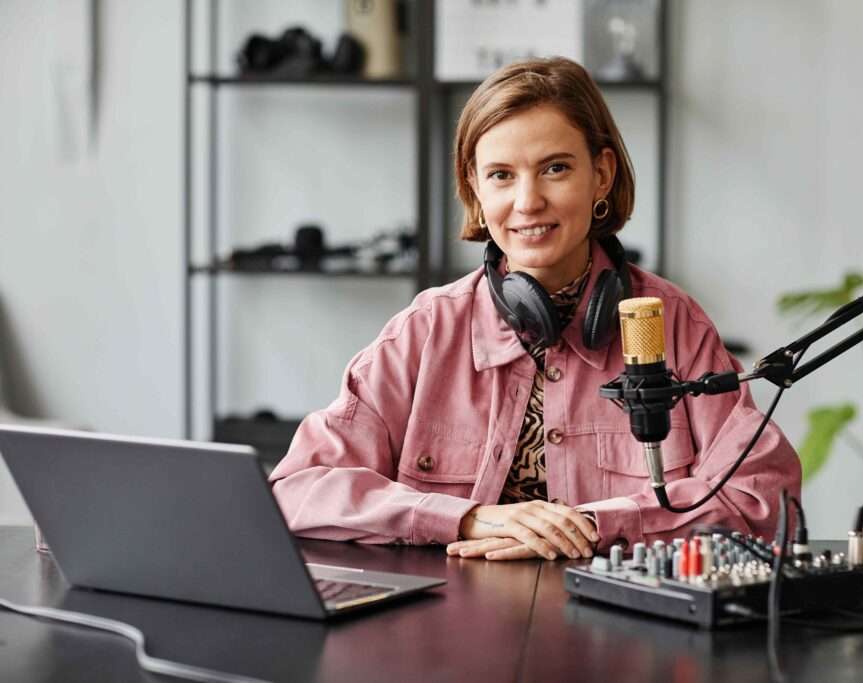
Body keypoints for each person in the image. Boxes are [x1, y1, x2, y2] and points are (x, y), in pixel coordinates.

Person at [269, 57, 801, 561]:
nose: (527, 202)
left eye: (555, 168)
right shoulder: (425, 331)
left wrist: (596, 525)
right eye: (501, 175)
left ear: (602, 174)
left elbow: (762, 495)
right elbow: (297, 489)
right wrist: (465, 518)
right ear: (475, 186)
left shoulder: (673, 323)